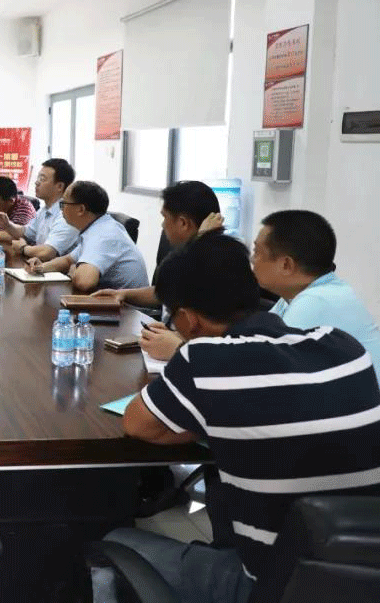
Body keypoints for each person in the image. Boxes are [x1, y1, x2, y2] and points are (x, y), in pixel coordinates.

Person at [104, 234, 380, 603]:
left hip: (271, 587)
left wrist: (209, 418)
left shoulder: (203, 360)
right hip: (363, 577)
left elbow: (137, 424)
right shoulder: (344, 346)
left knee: (113, 542)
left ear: (188, 319)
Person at [94, 181, 221, 360]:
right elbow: (167, 292)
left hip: (192, 356)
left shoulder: (218, 262)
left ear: (183, 223)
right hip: (170, 342)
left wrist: (200, 244)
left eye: (165, 217)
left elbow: (215, 335)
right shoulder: (187, 252)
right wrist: (123, 294)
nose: (162, 225)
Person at [252, 210, 380, 376]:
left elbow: (264, 363)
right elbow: (256, 336)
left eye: (257, 252)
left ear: (286, 265)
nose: (252, 260)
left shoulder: (316, 301)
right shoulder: (297, 295)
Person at [24, 181, 148, 292]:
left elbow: (84, 282)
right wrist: (41, 267)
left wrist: (74, 270)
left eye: (64, 204)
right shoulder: (97, 227)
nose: (61, 210)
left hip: (127, 308)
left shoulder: (103, 234)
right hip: (109, 302)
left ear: (81, 209)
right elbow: (68, 260)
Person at [10, 158, 78, 261]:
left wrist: (23, 248)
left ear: (60, 186)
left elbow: (47, 253)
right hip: (39, 265)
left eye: (42, 179)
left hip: (59, 270)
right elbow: (26, 233)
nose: (37, 182)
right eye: (38, 178)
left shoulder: (67, 214)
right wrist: (7, 224)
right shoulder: (44, 210)